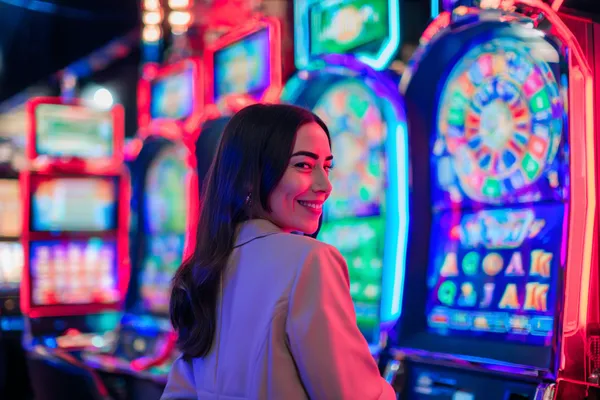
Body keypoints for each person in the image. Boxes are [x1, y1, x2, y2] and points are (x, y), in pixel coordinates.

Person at [162, 104, 395, 399]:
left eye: (327, 167)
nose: (325, 186)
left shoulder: (206, 268)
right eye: (304, 166)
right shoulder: (309, 260)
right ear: (250, 175)